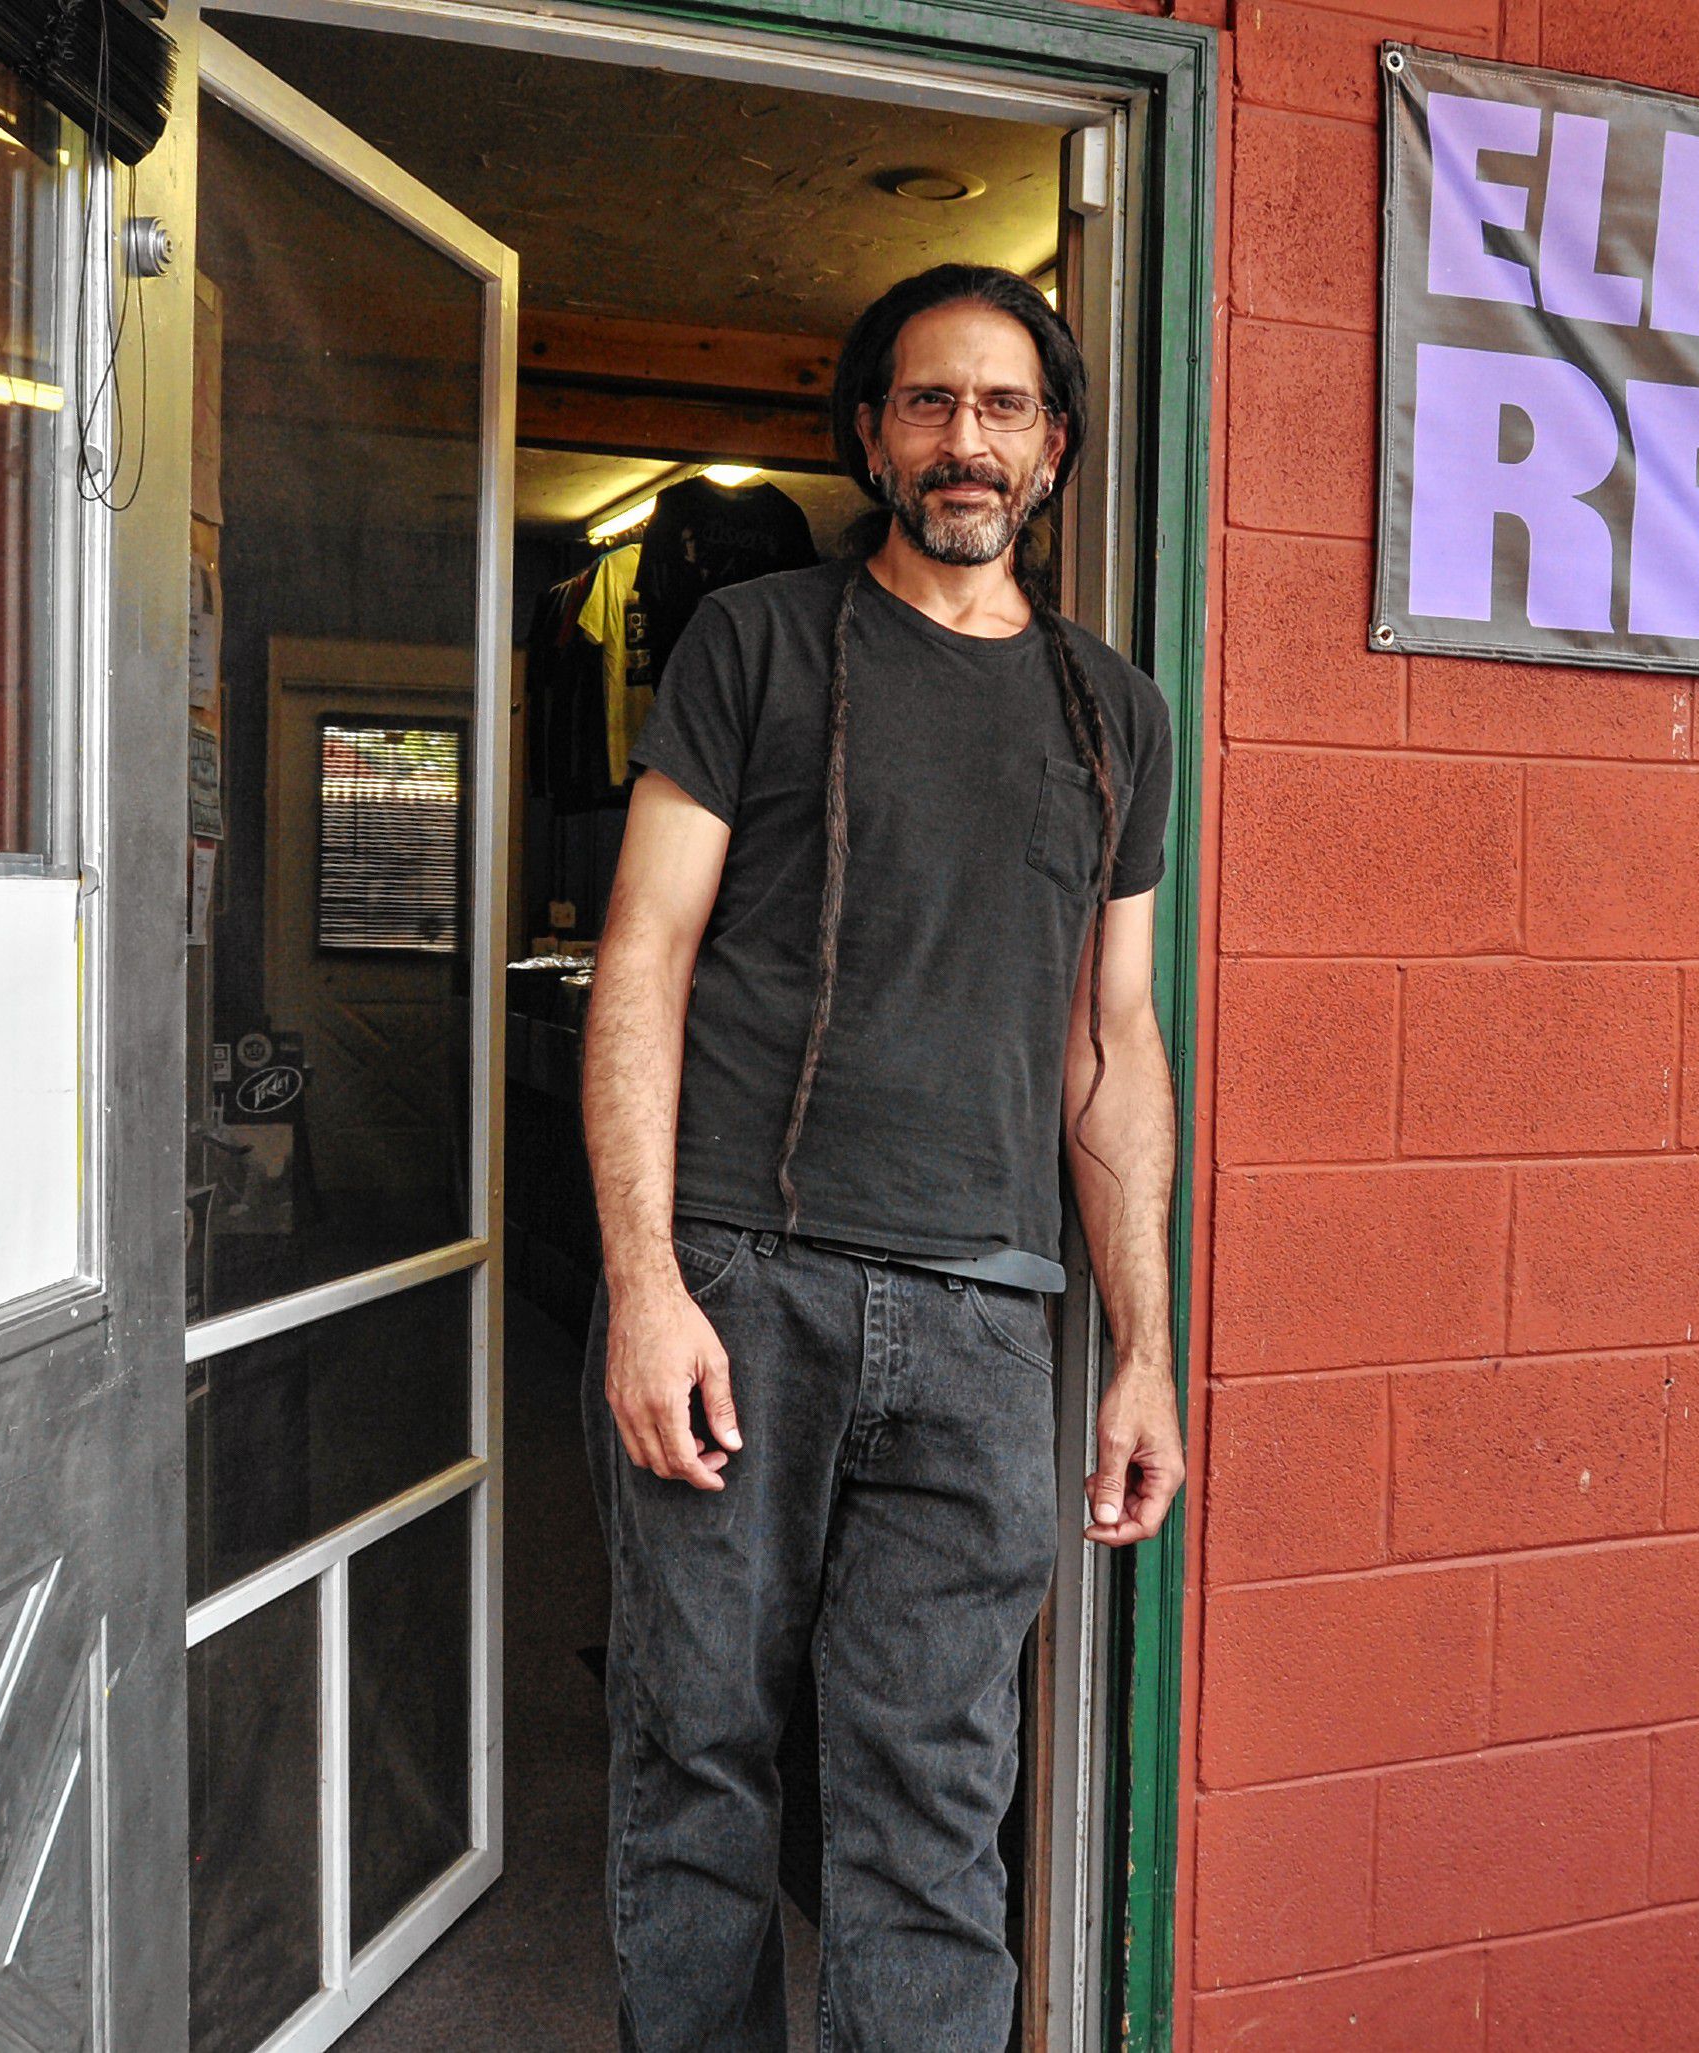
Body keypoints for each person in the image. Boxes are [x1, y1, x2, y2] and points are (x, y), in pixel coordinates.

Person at [576, 263, 1184, 2053]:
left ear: (1055, 450)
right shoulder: (754, 644)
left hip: (992, 1328)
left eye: (1004, 408)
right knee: (701, 1756)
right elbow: (644, 960)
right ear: (871, 435)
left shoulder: (1113, 718)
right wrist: (643, 1284)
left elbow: (1113, 1046)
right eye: (929, 403)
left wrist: (1140, 1348)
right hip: (745, 1288)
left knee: (936, 1797)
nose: (966, 440)